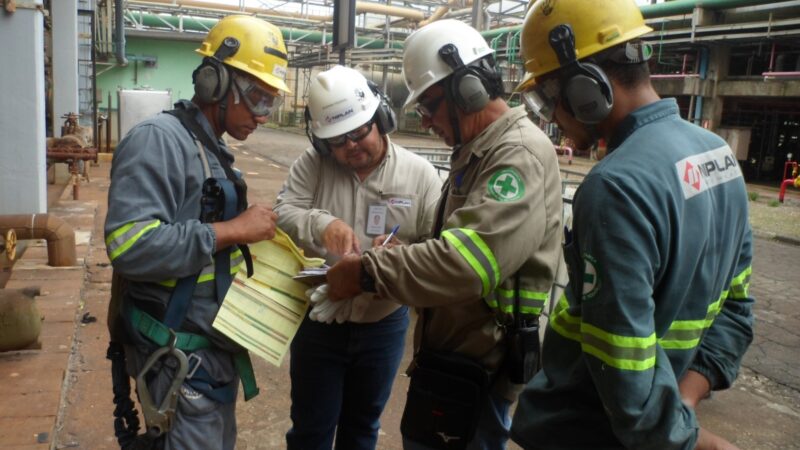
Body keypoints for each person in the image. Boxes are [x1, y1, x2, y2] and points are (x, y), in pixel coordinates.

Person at [509, 1, 755, 449]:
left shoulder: (614, 186)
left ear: (585, 88)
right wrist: (682, 402)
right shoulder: (719, 155)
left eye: (546, 98)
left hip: (585, 429)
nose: (549, 116)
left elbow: (622, 363)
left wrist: (693, 440)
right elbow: (736, 311)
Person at [325, 19, 563, 449]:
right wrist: (409, 253)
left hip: (482, 366)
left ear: (466, 90)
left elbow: (466, 264)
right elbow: (455, 244)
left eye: (429, 105)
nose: (425, 119)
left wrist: (365, 272)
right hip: (454, 357)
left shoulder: (517, 155)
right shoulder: (478, 151)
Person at [104, 15, 289, 450]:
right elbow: (128, 245)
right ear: (214, 82)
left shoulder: (208, 149)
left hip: (205, 356)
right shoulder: (159, 140)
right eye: (258, 99)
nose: (263, 116)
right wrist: (230, 230)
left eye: (271, 104)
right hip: (175, 357)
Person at [274, 65, 442, 449]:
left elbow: (439, 246)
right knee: (311, 430)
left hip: (382, 325)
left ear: (380, 119)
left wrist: (405, 257)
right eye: (336, 140)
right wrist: (321, 223)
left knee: (362, 427)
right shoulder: (313, 165)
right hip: (319, 324)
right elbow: (283, 210)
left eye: (358, 132)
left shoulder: (421, 176)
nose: (350, 146)